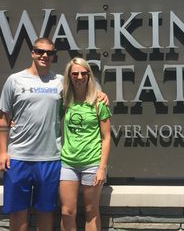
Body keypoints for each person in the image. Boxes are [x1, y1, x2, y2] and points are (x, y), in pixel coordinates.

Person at [0, 38, 108, 231]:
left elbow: (85, 84)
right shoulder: (14, 80)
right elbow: (3, 119)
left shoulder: (59, 81)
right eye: (40, 51)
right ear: (32, 53)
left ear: (53, 56)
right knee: (17, 212)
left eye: (49, 53)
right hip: (18, 157)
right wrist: (2, 152)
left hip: (50, 158)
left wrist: (101, 93)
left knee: (46, 211)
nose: (44, 56)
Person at [59, 57, 111, 231]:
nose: (79, 77)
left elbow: (106, 137)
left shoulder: (98, 102)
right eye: (75, 73)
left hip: (92, 163)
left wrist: (101, 168)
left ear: (89, 75)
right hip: (68, 163)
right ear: (69, 76)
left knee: (91, 211)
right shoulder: (64, 101)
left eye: (83, 73)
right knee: (67, 211)